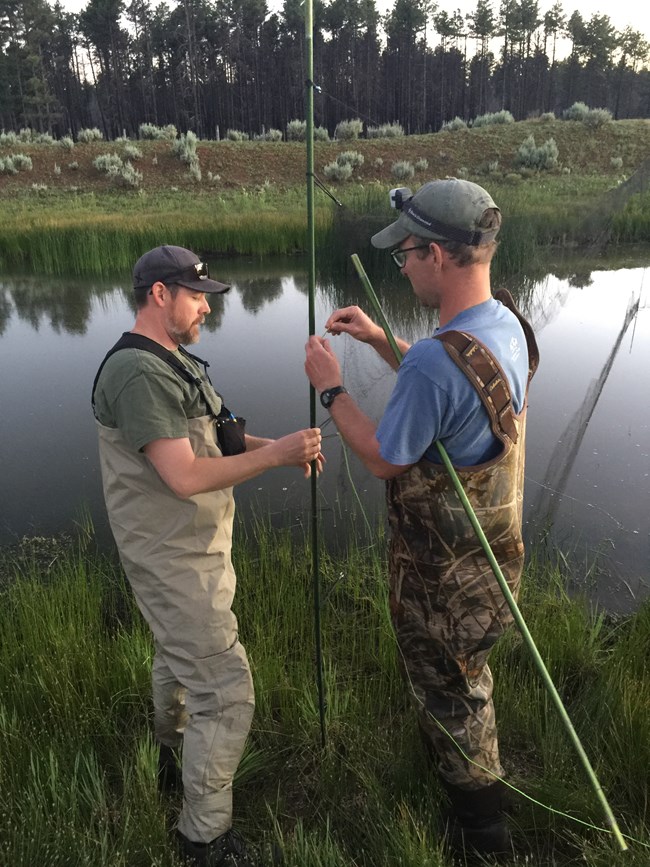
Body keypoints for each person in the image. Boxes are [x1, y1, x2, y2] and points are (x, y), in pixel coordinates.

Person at [304, 179, 539, 862]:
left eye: (404, 253)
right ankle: (467, 797)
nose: (400, 266)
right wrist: (383, 340)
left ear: (437, 253)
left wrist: (331, 386)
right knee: (468, 686)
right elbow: (460, 391)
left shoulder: (438, 359)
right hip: (494, 568)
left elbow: (382, 456)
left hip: (442, 589)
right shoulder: (505, 326)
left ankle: (483, 837)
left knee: (455, 702)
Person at [92, 244, 322, 867]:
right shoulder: (138, 372)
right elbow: (185, 477)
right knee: (225, 689)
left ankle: (171, 759)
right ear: (159, 295)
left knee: (178, 659)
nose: (206, 310)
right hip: (172, 557)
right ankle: (204, 836)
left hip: (195, 548)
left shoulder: (172, 361)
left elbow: (218, 437)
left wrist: (282, 445)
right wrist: (277, 458)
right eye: (197, 298)